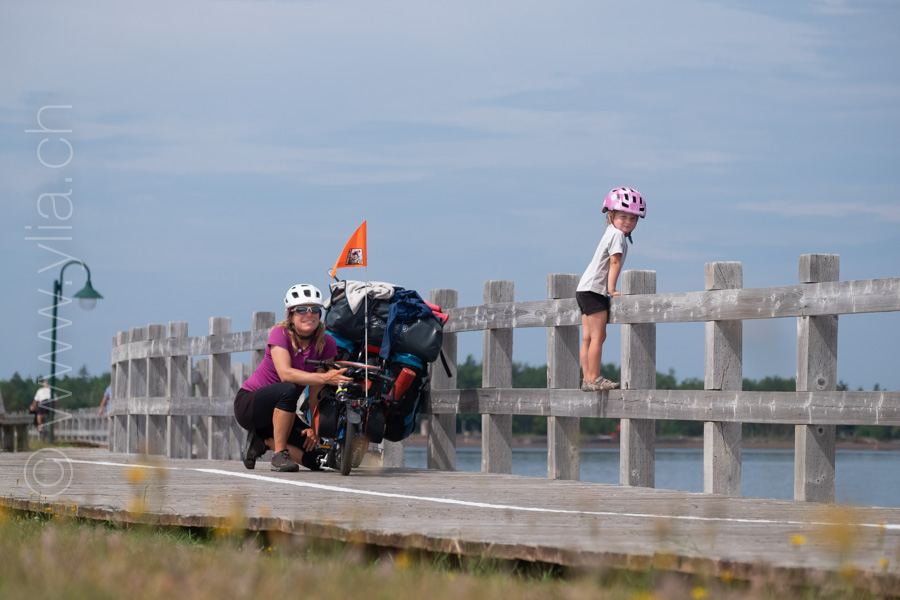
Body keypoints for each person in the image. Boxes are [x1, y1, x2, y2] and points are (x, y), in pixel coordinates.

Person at [233, 284, 351, 472]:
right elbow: (285, 374)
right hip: (251, 405)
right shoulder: (280, 333)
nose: (309, 314)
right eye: (302, 309)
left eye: (314, 309)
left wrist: (314, 428)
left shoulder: (327, 343)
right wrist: (326, 378)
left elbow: (317, 389)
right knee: (288, 388)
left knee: (317, 458)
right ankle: (279, 455)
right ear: (290, 314)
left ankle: (262, 442)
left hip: (282, 412)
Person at [576, 186, 647, 392]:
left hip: (584, 289)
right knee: (598, 337)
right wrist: (612, 289)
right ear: (611, 215)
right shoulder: (617, 236)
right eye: (623, 216)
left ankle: (587, 379)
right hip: (595, 290)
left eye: (633, 218)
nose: (628, 222)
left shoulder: (609, 232)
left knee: (588, 337)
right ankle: (595, 378)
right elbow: (614, 262)